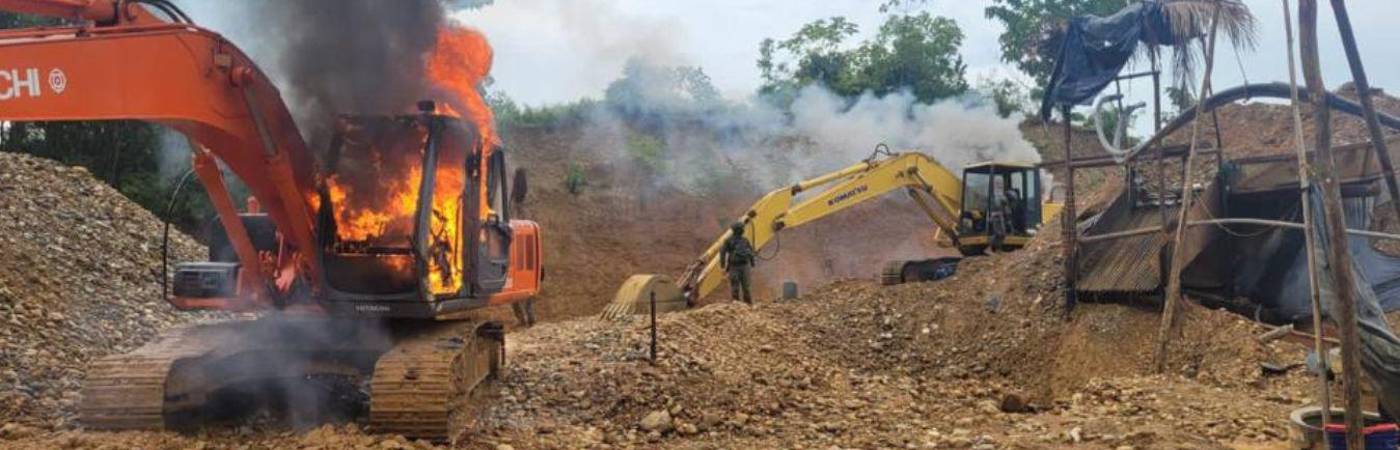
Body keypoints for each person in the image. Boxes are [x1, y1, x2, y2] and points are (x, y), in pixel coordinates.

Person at [719, 221, 756, 304]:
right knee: (740, 287)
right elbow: (751, 252)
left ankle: (745, 305)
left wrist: (723, 267)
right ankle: (740, 305)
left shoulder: (742, 240)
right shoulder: (732, 241)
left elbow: (722, 253)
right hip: (738, 267)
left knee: (741, 287)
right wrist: (753, 263)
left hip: (738, 266)